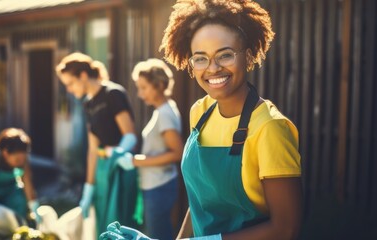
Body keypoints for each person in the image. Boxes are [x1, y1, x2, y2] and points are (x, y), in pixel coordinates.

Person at [100, 0, 302, 239]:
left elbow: (286, 229)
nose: (213, 68)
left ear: (247, 57)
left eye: (225, 55)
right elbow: (202, 202)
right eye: (200, 58)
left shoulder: (270, 128)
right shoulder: (200, 112)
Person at [55, 53, 142, 236]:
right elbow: (93, 149)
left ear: (83, 76)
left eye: (70, 83)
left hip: (120, 168)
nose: (69, 90)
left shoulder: (113, 94)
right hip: (102, 169)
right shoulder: (88, 104)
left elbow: (130, 135)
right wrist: (88, 187)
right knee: (102, 224)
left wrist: (117, 153)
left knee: (120, 224)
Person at [114, 58, 183, 240]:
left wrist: (135, 161)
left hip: (159, 186)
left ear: (159, 85)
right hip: (156, 185)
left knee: (158, 236)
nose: (139, 94)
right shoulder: (163, 110)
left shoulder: (165, 113)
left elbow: (178, 153)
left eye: (143, 87)